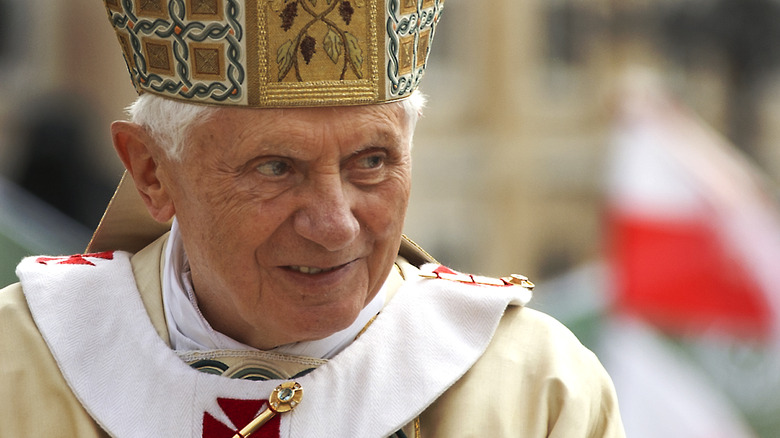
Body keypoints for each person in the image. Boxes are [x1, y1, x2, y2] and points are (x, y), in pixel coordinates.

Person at [0, 0, 625, 436]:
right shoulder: (19, 370)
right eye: (276, 168)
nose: (335, 226)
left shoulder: (537, 395)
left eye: (372, 162)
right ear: (152, 173)